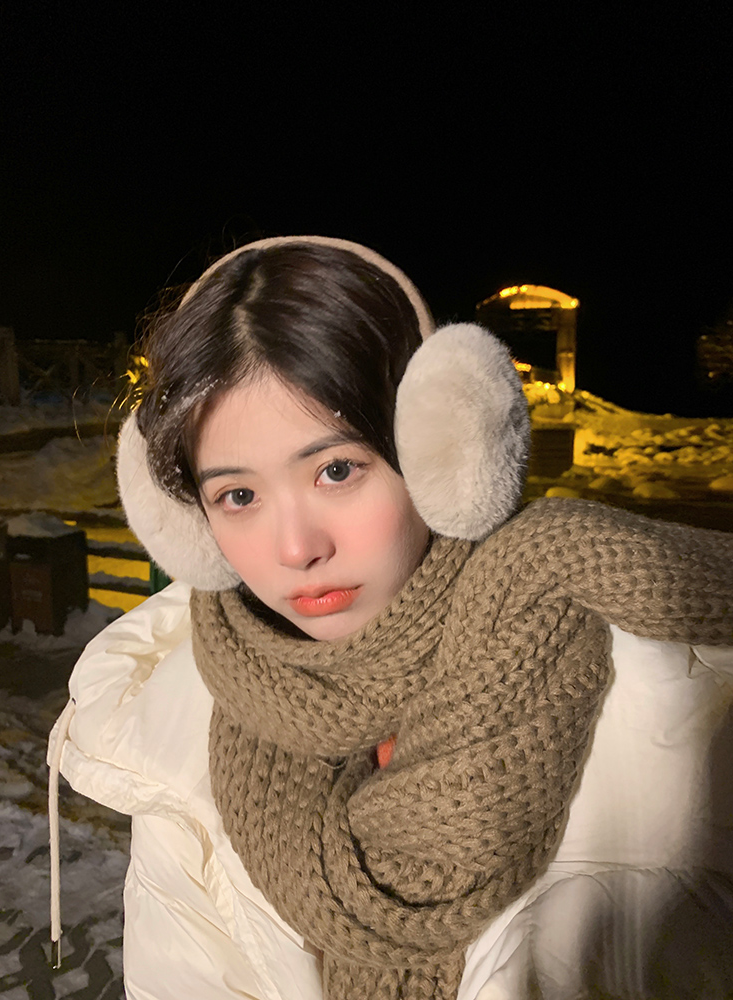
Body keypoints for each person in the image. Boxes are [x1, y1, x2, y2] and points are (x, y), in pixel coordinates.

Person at [49, 236, 733, 1000]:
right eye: (238, 496)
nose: (297, 548)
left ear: (445, 454)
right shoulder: (181, 729)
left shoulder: (678, 713)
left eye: (336, 470)